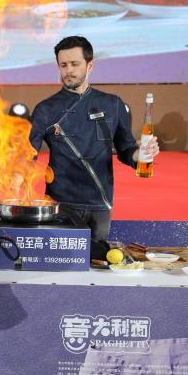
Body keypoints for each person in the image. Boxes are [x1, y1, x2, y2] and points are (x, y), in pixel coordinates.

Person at [29, 36, 160, 241]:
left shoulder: (112, 104)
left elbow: (125, 148)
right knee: (62, 266)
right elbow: (28, 155)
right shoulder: (45, 110)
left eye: (75, 64)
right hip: (59, 203)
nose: (68, 71)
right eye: (63, 65)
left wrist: (139, 154)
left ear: (90, 66)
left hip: (100, 202)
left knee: (96, 264)